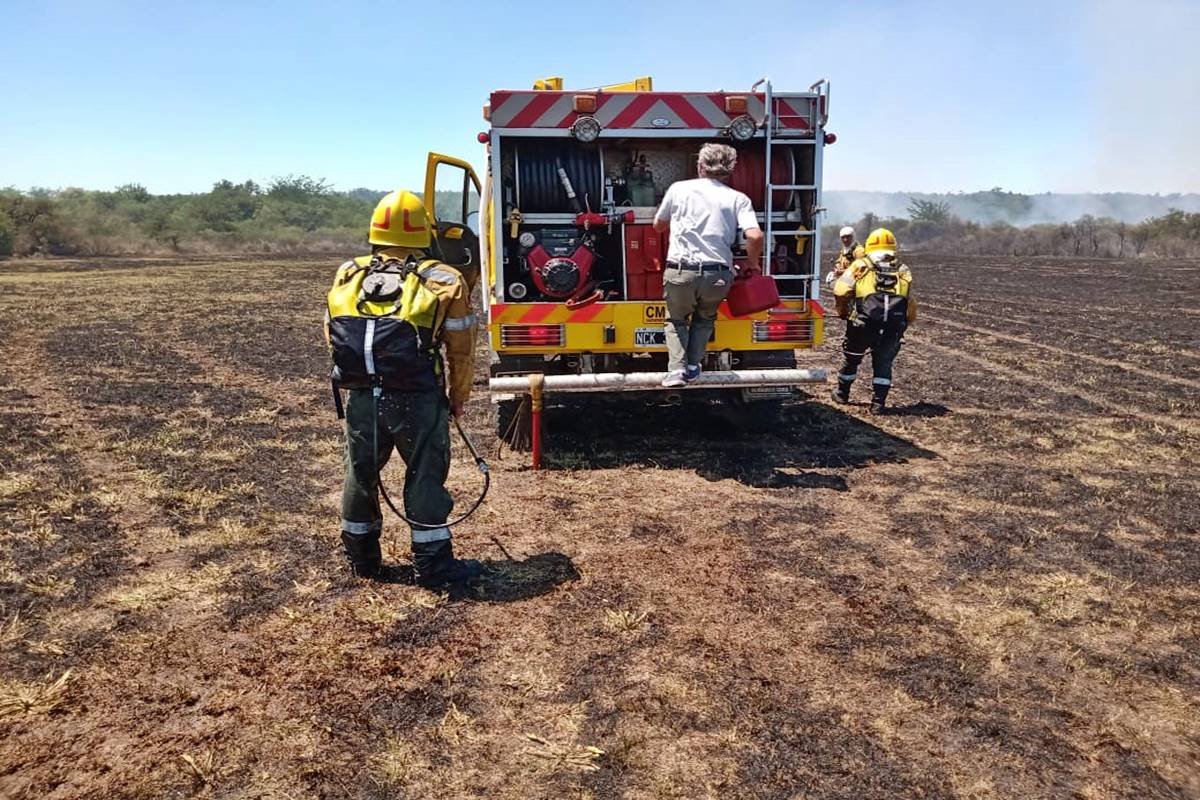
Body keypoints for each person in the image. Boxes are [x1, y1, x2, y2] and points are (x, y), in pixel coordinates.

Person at [325, 189, 482, 586]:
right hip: (417, 397)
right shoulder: (445, 279)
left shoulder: (350, 273)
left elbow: (332, 335)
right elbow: (460, 350)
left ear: (375, 232)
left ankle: (361, 559)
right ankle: (433, 565)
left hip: (362, 394)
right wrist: (458, 397)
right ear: (426, 233)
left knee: (360, 473)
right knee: (425, 475)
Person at [653, 143, 764, 388]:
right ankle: (693, 367)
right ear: (730, 170)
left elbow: (659, 226)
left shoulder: (678, 189)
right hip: (718, 275)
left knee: (677, 320)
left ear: (700, 165)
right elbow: (755, 236)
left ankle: (676, 371)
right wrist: (753, 263)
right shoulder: (738, 198)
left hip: (682, 271)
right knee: (705, 319)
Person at [830, 227, 916, 414]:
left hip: (862, 325)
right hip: (893, 327)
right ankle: (878, 404)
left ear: (869, 245)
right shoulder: (902, 269)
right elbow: (910, 303)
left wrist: (844, 312)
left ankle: (842, 394)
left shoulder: (861, 265)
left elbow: (840, 290)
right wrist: (904, 324)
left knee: (852, 358)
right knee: (884, 363)